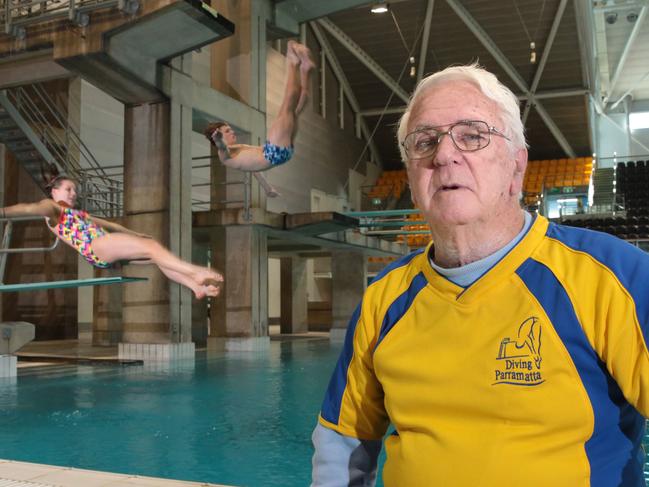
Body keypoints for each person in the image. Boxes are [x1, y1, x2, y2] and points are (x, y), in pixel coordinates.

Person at [311, 63, 649, 486]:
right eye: (425, 140)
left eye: (473, 135)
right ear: (413, 179)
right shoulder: (384, 299)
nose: (444, 154)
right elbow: (344, 442)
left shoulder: (613, 277)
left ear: (516, 166)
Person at [0, 175, 223, 300]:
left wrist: (135, 234)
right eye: (68, 189)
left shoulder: (77, 213)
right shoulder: (51, 207)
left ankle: (195, 287)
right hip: (95, 246)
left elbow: (110, 224)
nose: (73, 193)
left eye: (74, 190)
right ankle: (195, 272)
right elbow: (27, 208)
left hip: (102, 249)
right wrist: (2, 212)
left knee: (155, 254)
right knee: (153, 248)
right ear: (54, 192)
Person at [204, 40, 314, 196]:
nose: (232, 132)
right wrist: (218, 139)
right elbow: (222, 146)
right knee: (288, 103)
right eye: (228, 131)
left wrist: (268, 189)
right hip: (273, 152)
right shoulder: (224, 155)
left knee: (297, 108)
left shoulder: (237, 153)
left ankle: (305, 70)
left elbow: (254, 171)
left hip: (280, 153)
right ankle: (293, 63)